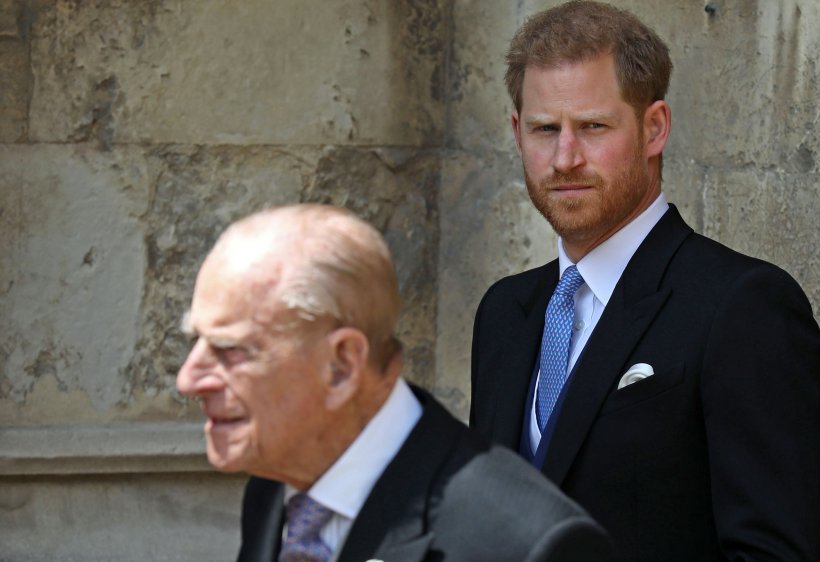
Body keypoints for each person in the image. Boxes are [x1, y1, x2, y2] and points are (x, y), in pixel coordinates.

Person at [468, 2, 820, 560]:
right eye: (545, 129)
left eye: (592, 127)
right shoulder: (505, 312)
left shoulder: (742, 306)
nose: (564, 158)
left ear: (654, 127)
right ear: (517, 133)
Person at [176, 204, 617, 562]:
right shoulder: (276, 488)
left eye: (230, 349)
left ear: (343, 365)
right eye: (196, 341)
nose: (189, 379)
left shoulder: (527, 544)